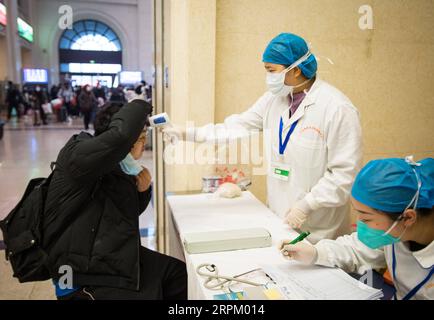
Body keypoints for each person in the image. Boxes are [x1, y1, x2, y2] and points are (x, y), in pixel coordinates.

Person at [164, 33, 363, 243]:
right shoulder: (274, 100)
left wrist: (307, 205)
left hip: (320, 230)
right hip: (279, 219)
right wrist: (188, 133)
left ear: (295, 70)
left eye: (271, 70)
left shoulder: (337, 109)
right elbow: (236, 127)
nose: (268, 77)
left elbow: (345, 174)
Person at [42, 96, 188, 300]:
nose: (142, 145)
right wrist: (142, 104)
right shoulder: (78, 156)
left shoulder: (122, 167)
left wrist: (142, 190)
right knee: (151, 293)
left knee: (177, 274)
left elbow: (123, 214)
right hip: (78, 275)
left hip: (108, 257)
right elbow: (121, 135)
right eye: (140, 138)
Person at [280, 156, 434, 300]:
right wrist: (315, 252)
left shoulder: (397, 228)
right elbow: (357, 248)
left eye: (366, 218)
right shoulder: (396, 231)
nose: (360, 223)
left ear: (408, 217)